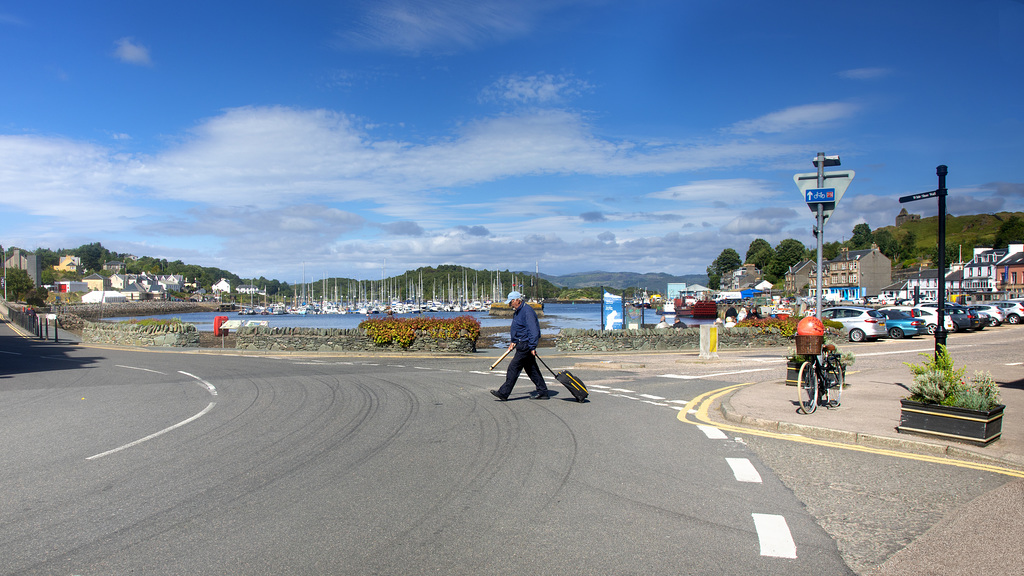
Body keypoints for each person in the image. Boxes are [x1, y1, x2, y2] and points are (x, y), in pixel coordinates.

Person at [491, 291, 549, 400]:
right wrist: (513, 341)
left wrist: (532, 346)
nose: (510, 304)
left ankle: (503, 393)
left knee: (513, 368)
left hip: (526, 344)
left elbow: (534, 331)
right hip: (521, 343)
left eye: (511, 302)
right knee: (531, 369)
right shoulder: (518, 311)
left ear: (517, 300)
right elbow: (518, 328)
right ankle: (543, 391)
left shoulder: (527, 311)